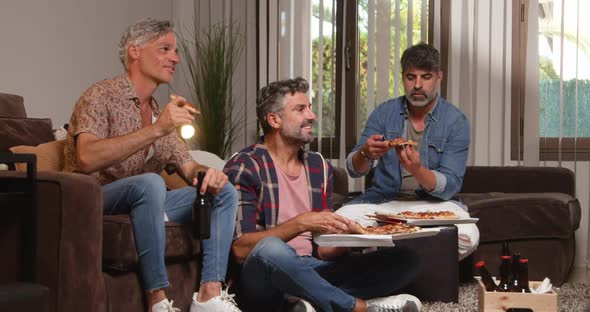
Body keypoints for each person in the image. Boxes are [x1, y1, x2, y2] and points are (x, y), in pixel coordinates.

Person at [63, 18, 241, 312]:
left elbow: (188, 167)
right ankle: (157, 300)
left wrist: (206, 174)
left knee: (223, 192)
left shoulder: (158, 112)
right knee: (151, 182)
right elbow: (86, 158)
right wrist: (157, 129)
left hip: (146, 201)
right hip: (95, 199)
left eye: (175, 50)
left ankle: (209, 295)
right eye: (165, 49)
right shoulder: (100, 95)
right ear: (135, 51)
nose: (175, 57)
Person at [223, 77, 423, 312]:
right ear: (273, 119)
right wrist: (300, 223)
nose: (312, 116)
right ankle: (357, 308)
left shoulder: (318, 166)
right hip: (265, 276)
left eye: (310, 107)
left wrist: (350, 237)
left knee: (408, 260)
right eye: (300, 109)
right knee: (272, 249)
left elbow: (323, 251)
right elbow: (240, 250)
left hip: (312, 268)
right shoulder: (245, 165)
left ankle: (306, 302)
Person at [343, 42, 477, 259]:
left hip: (434, 205)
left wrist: (417, 170)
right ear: (403, 78)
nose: (417, 85)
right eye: (410, 77)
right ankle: (390, 248)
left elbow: (450, 185)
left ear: (438, 78)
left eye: (426, 77)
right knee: (335, 226)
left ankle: (385, 249)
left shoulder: (456, 121)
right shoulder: (384, 113)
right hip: (383, 202)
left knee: (467, 238)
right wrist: (365, 153)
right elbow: (353, 169)